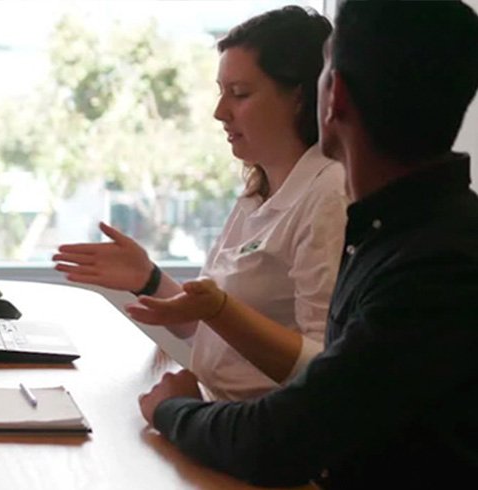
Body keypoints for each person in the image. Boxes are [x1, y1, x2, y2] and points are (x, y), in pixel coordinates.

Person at [137, 1, 478, 487]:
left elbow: (280, 438)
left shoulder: (434, 267)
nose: (221, 111)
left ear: (333, 96)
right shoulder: (404, 232)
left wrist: (173, 410)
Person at [53, 6, 347, 401]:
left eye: (239, 94)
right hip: (214, 408)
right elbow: (217, 336)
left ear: (298, 97)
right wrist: (149, 280)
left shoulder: (328, 194)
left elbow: (324, 367)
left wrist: (216, 316)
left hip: (258, 425)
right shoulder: (259, 190)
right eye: (221, 92)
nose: (219, 112)